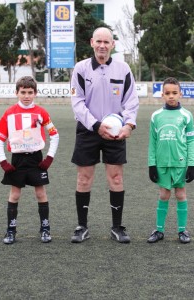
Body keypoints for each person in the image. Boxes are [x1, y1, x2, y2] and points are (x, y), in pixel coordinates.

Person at [70, 27, 139, 243]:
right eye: (98, 41)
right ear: (92, 42)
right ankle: (82, 226)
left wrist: (128, 125)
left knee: (116, 178)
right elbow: (77, 103)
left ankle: (117, 227)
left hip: (115, 132)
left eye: (106, 42)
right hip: (88, 129)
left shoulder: (123, 68)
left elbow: (131, 101)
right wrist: (96, 124)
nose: (102, 45)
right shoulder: (80, 69)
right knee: (84, 178)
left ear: (113, 44)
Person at [0, 76, 59, 244]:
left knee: (40, 193)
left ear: (35, 93)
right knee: (15, 195)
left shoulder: (41, 113)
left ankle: (45, 228)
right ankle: (11, 230)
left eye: (30, 92)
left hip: (36, 159)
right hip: (17, 160)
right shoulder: (9, 113)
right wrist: (3, 161)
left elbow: (55, 135)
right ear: (16, 92)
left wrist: (49, 158)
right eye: (23, 92)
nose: (26, 96)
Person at [147, 77, 194, 244]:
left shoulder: (186, 116)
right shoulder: (156, 116)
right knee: (164, 195)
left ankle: (182, 231)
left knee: (181, 194)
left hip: (180, 163)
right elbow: (152, 142)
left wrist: (192, 164)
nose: (171, 96)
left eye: (174, 93)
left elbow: (190, 141)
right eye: (167, 93)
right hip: (162, 164)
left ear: (181, 94)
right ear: (162, 95)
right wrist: (151, 164)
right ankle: (159, 230)